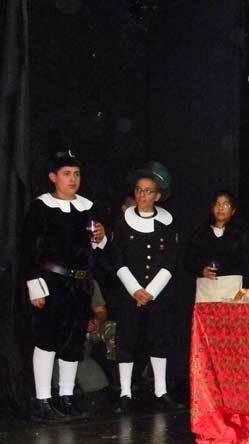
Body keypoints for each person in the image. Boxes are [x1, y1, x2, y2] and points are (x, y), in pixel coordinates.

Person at [22, 130, 107, 422]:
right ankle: (43, 399)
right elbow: (28, 249)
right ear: (53, 177)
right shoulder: (41, 207)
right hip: (52, 282)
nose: (73, 179)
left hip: (79, 283)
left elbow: (94, 248)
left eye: (77, 174)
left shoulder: (87, 207)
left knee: (74, 341)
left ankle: (67, 396)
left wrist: (101, 239)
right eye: (67, 174)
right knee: (47, 339)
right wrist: (35, 285)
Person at [111, 162, 180, 413]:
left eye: (148, 191)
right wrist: (135, 290)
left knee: (158, 339)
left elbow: (170, 260)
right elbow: (117, 258)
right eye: (139, 190)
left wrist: (151, 292)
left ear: (157, 196)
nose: (142, 195)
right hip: (129, 294)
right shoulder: (122, 222)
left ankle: (160, 391)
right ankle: (125, 392)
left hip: (158, 294)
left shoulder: (167, 223)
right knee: (127, 340)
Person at [186, 190, 249, 289]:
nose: (220, 208)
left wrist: (246, 289)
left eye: (226, 205)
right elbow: (188, 260)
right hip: (206, 288)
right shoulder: (201, 233)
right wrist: (201, 270)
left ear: (233, 210)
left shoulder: (242, 234)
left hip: (233, 288)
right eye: (217, 204)